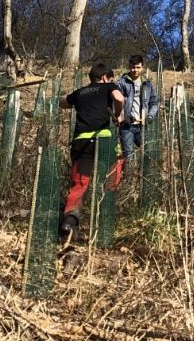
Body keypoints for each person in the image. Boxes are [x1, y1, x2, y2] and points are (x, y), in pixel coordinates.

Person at [58, 61, 125, 251]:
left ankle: (70, 221)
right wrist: (118, 115)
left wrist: (80, 103)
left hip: (81, 142)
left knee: (79, 183)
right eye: (110, 79)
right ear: (104, 78)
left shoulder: (80, 92)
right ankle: (106, 217)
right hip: (103, 140)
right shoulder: (108, 86)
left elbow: (63, 103)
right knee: (112, 173)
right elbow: (120, 99)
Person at [116, 53, 158, 160]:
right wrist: (123, 117)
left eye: (138, 67)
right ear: (129, 67)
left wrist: (150, 116)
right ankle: (129, 176)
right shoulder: (121, 83)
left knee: (149, 154)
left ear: (142, 67)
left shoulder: (147, 84)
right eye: (133, 67)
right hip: (127, 126)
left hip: (142, 126)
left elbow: (153, 102)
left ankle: (143, 176)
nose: (135, 70)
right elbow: (115, 103)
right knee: (128, 156)